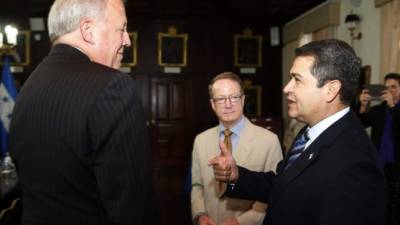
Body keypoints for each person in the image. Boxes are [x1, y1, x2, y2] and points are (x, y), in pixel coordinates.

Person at [209, 39, 386, 225]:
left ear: (331, 90)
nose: (287, 88)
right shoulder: (311, 131)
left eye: (297, 80)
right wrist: (238, 176)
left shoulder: (355, 163)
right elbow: (284, 185)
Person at [9, 0, 155, 224]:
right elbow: (133, 209)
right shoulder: (113, 87)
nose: (127, 40)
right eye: (122, 29)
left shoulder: (29, 86)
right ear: (88, 30)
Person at [191, 72, 282, 225]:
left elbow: (275, 191)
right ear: (213, 104)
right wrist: (200, 215)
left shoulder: (269, 141)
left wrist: (242, 222)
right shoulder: (201, 140)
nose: (228, 104)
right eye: (221, 99)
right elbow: (197, 186)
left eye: (234, 97)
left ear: (243, 99)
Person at [357, 73, 400, 224]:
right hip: (378, 166)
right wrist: (362, 105)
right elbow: (359, 124)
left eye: (393, 87)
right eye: (386, 87)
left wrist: (393, 107)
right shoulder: (377, 110)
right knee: (378, 205)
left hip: (397, 168)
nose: (389, 91)